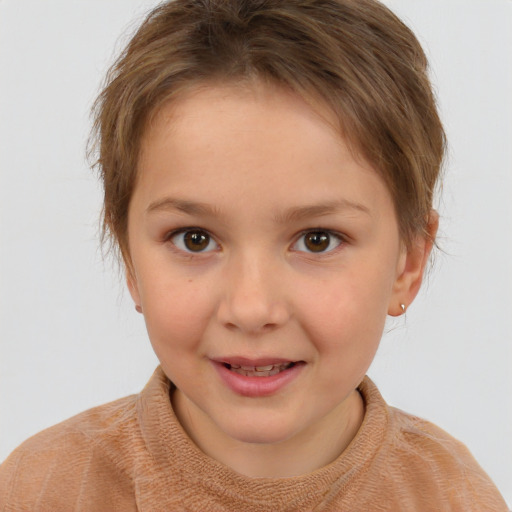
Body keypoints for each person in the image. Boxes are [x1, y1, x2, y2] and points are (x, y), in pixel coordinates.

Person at [0, 0, 508, 510]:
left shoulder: (454, 497)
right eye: (194, 239)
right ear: (129, 260)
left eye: (317, 240)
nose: (251, 308)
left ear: (408, 263)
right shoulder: (38, 488)